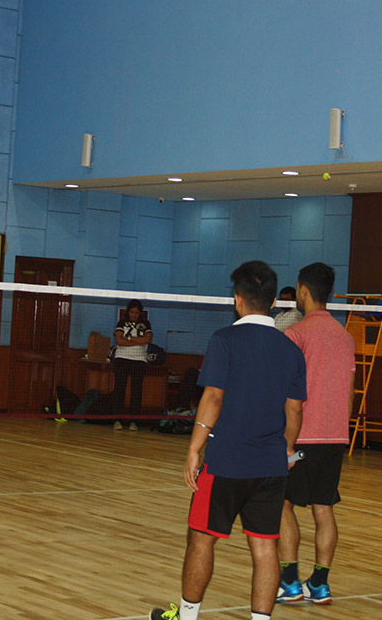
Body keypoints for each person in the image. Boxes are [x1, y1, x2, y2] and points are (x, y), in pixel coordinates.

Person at [150, 261, 307, 620]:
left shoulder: (224, 340)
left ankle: (187, 616)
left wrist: (194, 449)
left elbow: (213, 398)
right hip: (271, 467)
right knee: (265, 547)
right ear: (272, 301)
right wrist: (286, 450)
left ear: (238, 299)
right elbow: (295, 410)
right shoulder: (291, 350)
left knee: (201, 538)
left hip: (225, 463)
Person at [276, 262, 356, 605]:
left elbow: (285, 393)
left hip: (300, 437)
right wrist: (340, 429)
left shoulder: (295, 335)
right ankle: (320, 585)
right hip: (335, 437)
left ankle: (290, 582)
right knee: (324, 508)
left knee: (282, 505)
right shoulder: (345, 336)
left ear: (303, 290)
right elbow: (350, 393)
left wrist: (285, 440)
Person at [111, 298, 152, 431]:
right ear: (128, 312)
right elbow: (119, 340)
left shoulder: (146, 324)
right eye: (132, 312)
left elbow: (148, 339)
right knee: (119, 389)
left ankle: (134, 421)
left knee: (136, 391)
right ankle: (117, 420)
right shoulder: (121, 323)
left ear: (140, 313)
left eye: (137, 312)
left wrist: (128, 338)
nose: (134, 315)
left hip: (139, 359)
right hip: (122, 358)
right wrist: (138, 341)